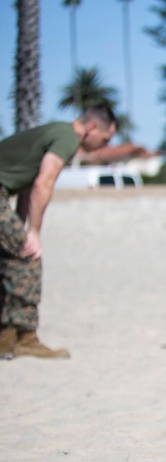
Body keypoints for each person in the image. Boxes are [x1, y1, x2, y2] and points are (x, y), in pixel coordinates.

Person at [0, 104, 117, 359]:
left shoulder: (55, 131)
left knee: (13, 255)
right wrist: (33, 233)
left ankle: (12, 337)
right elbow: (44, 181)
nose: (102, 145)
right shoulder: (66, 137)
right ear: (92, 128)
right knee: (28, 255)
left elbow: (27, 186)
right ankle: (18, 338)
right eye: (105, 139)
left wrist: (20, 227)